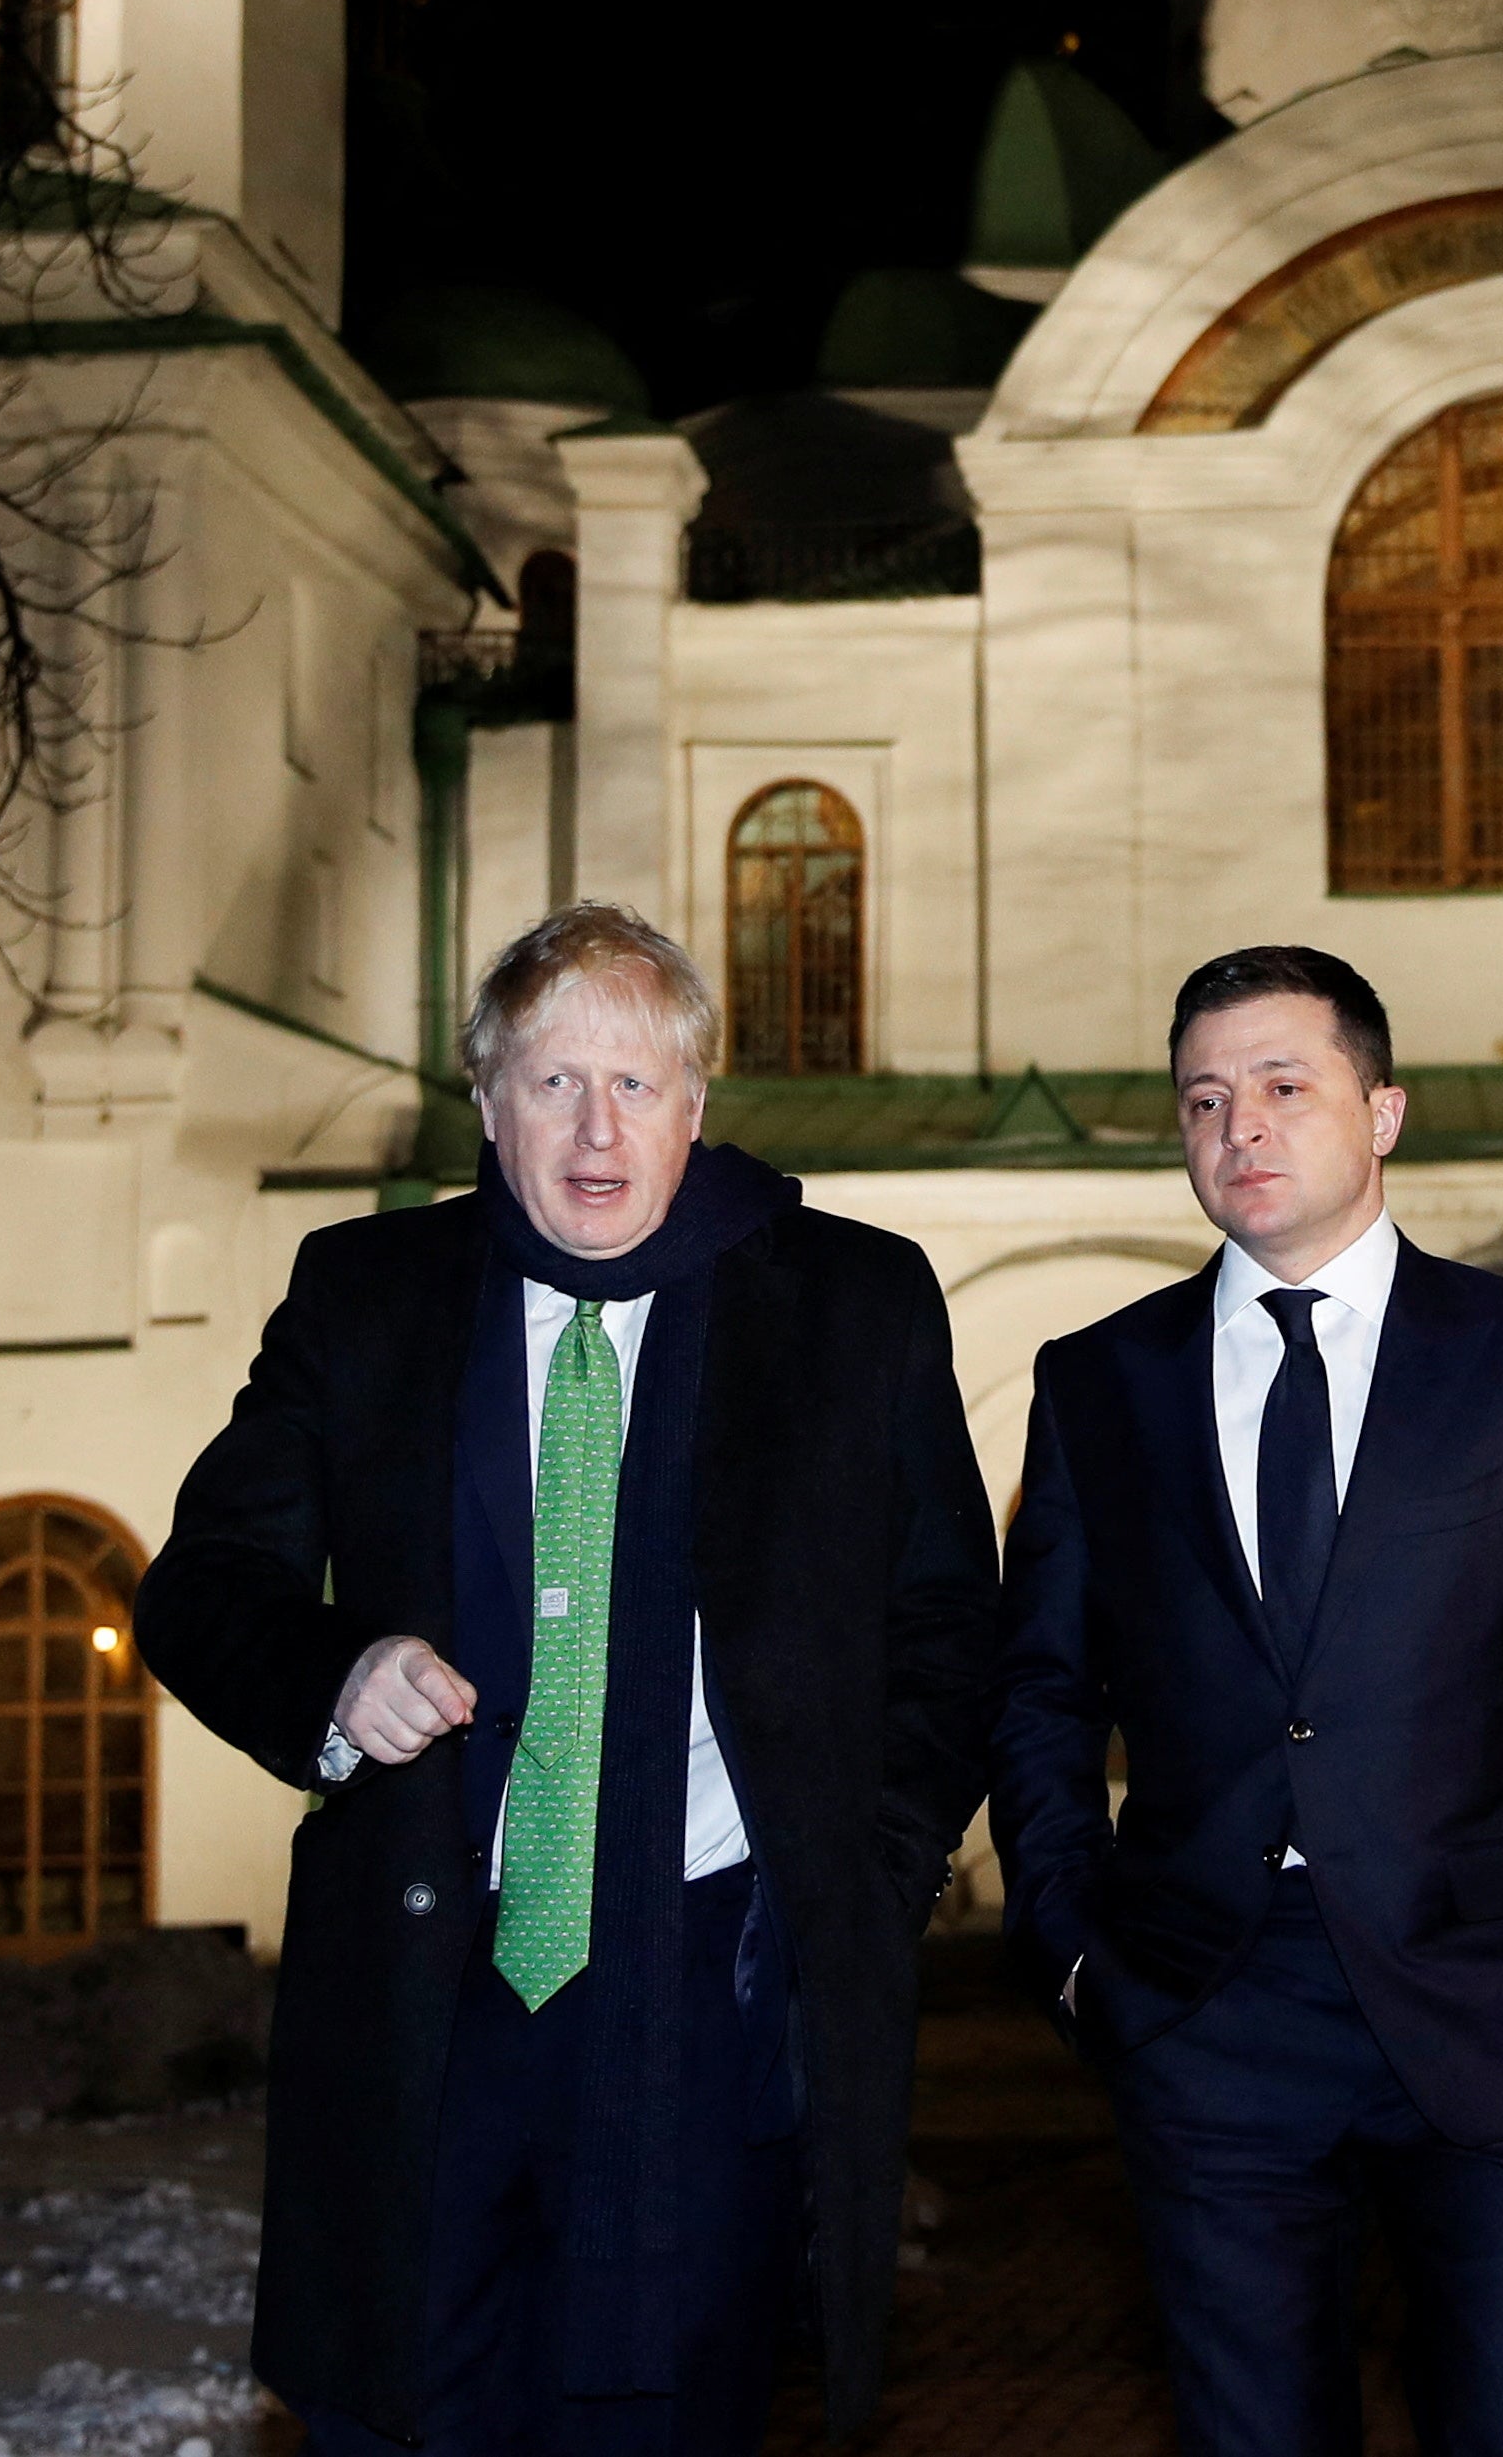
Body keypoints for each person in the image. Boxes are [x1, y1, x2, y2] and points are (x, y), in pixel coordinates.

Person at [138, 903, 999, 2454]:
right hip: (427, 1997)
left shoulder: (849, 1304)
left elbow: (946, 1621)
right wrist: (337, 1671)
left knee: (666, 2417)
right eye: (554, 1083)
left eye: (636, 1085)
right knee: (403, 2414)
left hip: (706, 1988)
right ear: (486, 1099)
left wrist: (870, 1869)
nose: (596, 1132)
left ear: (696, 1103)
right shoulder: (367, 1294)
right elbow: (200, 1589)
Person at [988, 943, 1503, 2457]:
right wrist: (1067, 1940)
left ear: (1381, 1111)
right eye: (1204, 1098)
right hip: (1207, 2002)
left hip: (1484, 1990)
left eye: (1281, 1085)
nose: (1239, 1127)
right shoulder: (1099, 1381)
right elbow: (1043, 1684)